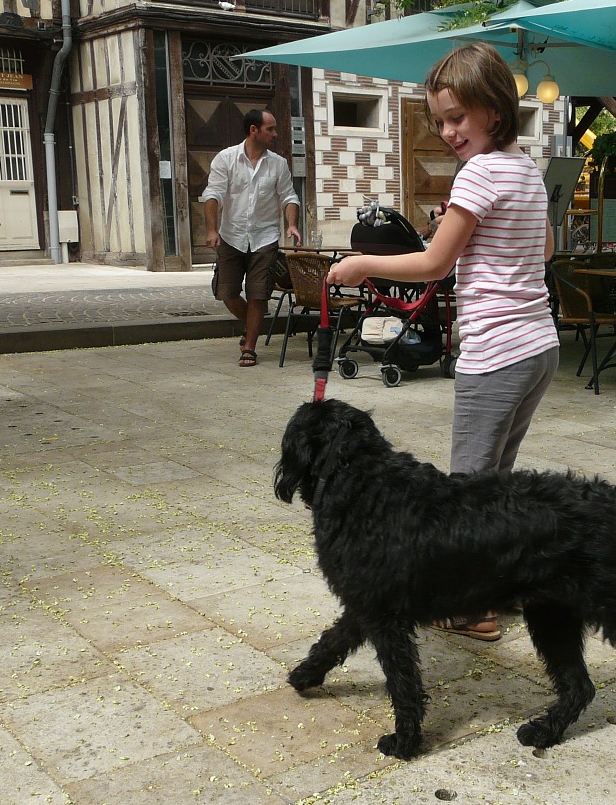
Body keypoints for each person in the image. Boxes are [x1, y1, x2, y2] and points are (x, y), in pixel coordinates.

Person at [326, 43, 558, 642]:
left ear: (494, 110)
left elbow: (433, 264)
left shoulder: (478, 173)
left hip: (498, 349)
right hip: (539, 345)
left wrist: (361, 265)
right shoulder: (524, 167)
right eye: (439, 120)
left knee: (467, 492)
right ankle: (493, 589)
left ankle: (471, 609)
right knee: (496, 484)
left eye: (458, 116)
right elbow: (546, 249)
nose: (448, 131)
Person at [201, 109, 302, 368]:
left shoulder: (278, 163)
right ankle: (252, 325)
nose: (275, 134)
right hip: (231, 235)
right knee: (227, 292)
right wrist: (212, 230)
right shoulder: (226, 159)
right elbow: (213, 195)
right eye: (270, 129)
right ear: (254, 130)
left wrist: (292, 224)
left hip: (264, 236)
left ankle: (250, 347)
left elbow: (289, 196)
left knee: (258, 294)